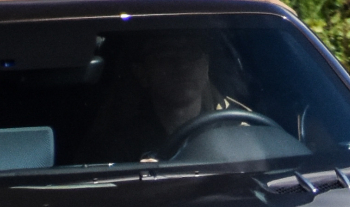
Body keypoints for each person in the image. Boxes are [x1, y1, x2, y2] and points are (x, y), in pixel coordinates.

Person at [83, 30, 242, 160]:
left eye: (192, 53)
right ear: (142, 73)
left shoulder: (240, 133)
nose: (182, 65)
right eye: (165, 55)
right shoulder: (117, 148)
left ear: (206, 65)